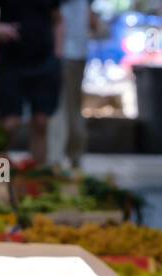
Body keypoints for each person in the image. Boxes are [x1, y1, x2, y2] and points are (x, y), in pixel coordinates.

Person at [0, 0, 63, 166]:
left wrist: (57, 55)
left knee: (41, 122)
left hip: (44, 62)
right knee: (9, 124)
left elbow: (58, 19)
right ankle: (2, 178)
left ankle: (37, 177)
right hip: (11, 62)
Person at [57, 0, 97, 168]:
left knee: (63, 108)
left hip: (65, 52)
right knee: (72, 106)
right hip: (74, 51)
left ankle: (63, 157)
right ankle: (73, 156)